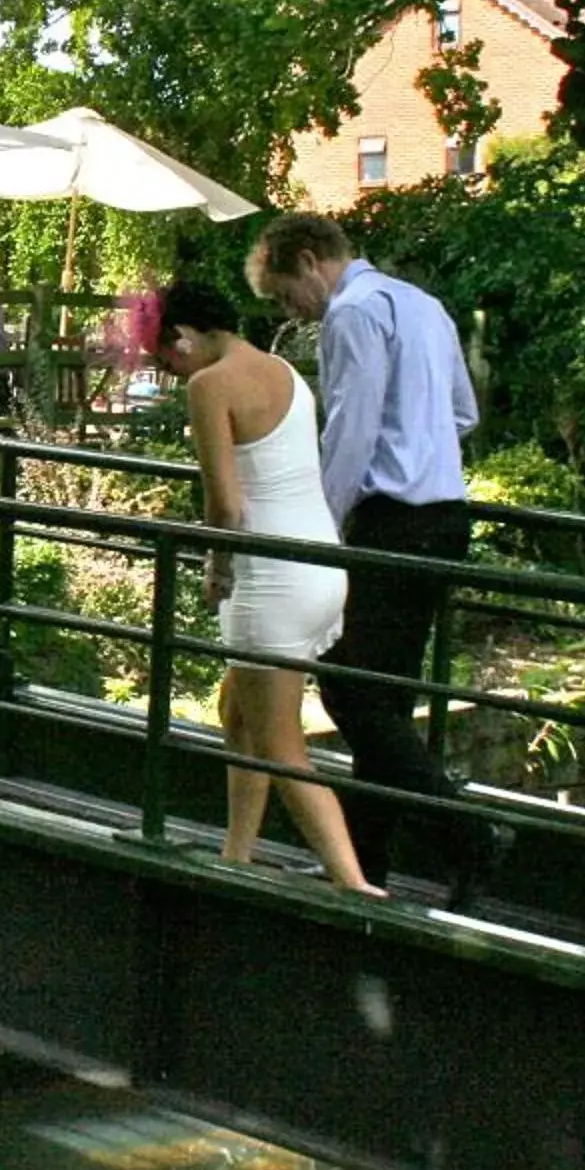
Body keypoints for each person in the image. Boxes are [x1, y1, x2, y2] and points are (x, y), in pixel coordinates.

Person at [250, 210, 501, 906]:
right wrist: (419, 451)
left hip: (391, 525)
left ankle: (466, 832)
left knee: (350, 689)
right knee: (384, 694)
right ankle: (364, 868)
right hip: (446, 518)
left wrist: (316, 530)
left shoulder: (352, 315)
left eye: (281, 294)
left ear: (306, 261)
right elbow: (462, 412)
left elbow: (350, 433)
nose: (289, 312)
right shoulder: (422, 304)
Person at [154, 281, 380, 896]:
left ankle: (355, 882)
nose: (171, 374)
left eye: (166, 359)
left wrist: (216, 567)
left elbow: (224, 502)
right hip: (320, 566)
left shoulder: (210, 385)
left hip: (269, 579)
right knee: (238, 711)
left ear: (185, 336)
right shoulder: (282, 370)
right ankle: (237, 853)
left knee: (281, 746)